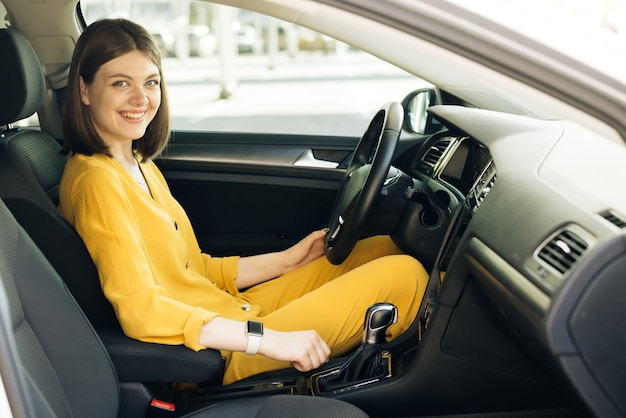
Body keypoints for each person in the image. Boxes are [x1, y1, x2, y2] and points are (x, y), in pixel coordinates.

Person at [58, 18, 428, 385]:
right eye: (121, 83)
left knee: (378, 248)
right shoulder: (97, 182)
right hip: (211, 351)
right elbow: (141, 310)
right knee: (404, 278)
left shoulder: (136, 162)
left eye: (150, 82)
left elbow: (193, 270)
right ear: (85, 90)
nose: (141, 99)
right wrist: (267, 339)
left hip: (229, 312)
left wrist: (288, 260)